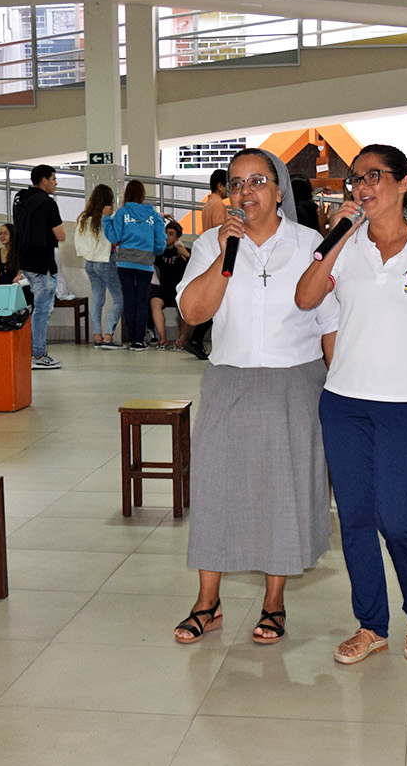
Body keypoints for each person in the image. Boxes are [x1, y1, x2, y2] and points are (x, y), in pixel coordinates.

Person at [295, 144, 407, 663]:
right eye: (356, 178)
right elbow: (305, 298)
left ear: (403, 182)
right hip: (344, 403)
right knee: (354, 519)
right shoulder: (345, 244)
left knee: (397, 517)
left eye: (374, 176)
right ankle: (371, 625)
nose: (363, 186)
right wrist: (336, 237)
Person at [173, 148, 338, 647]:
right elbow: (193, 313)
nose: (246, 192)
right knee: (215, 486)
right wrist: (225, 257)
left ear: (279, 189)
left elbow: (329, 324)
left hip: (295, 381)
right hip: (230, 378)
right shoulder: (211, 243)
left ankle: (274, 602)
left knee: (281, 491)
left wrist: (340, 393)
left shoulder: (309, 243)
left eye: (257, 181)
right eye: (237, 183)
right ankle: (208, 602)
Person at [12, 164, 67, 370]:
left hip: (25, 261)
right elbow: (60, 235)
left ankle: (34, 352)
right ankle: (38, 354)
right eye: (53, 179)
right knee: (42, 309)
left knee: (38, 308)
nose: (56, 183)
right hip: (43, 262)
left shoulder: (20, 198)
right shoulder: (48, 202)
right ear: (44, 180)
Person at [106, 179, 166, 351]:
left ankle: (131, 339)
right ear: (143, 194)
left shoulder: (122, 213)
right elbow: (160, 242)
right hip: (145, 264)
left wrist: (106, 220)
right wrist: (153, 251)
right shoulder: (153, 215)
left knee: (129, 300)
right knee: (141, 301)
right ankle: (139, 341)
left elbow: (114, 237)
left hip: (125, 263)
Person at [74, 183, 121, 348]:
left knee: (98, 299)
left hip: (89, 263)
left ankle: (97, 337)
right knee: (119, 298)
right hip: (105, 261)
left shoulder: (84, 217)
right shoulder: (110, 217)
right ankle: (108, 336)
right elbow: (115, 238)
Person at [151, 220, 190, 349]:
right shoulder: (158, 252)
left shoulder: (184, 252)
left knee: (186, 305)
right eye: (165, 233)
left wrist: (188, 256)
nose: (167, 236)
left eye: (171, 234)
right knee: (155, 302)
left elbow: (200, 267)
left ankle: (181, 340)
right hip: (166, 288)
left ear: (177, 238)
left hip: (181, 287)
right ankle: (163, 339)